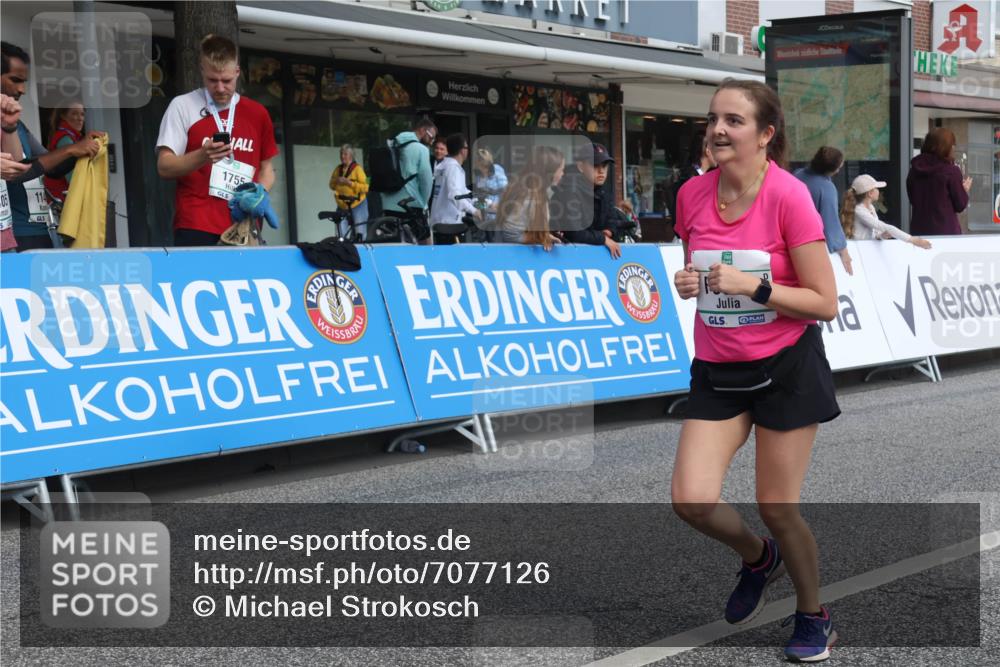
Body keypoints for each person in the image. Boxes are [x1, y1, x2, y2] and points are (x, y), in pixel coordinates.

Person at [672, 78, 840, 663]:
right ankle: (758, 558)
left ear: (766, 135)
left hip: (787, 365)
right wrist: (687, 283)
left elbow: (825, 301)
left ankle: (814, 614)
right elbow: (693, 267)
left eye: (734, 121)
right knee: (690, 501)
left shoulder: (790, 197)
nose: (718, 129)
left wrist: (757, 286)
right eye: (713, 118)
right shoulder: (692, 195)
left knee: (777, 505)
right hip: (719, 366)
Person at [156, 34, 278, 246]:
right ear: (202, 71)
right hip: (197, 224)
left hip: (244, 226)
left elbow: (267, 169)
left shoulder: (257, 113)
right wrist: (202, 156)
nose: (220, 88)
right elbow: (164, 166)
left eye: (227, 81)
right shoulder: (183, 106)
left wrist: (261, 193)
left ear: (237, 72)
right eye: (213, 80)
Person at [2, 42, 101, 250]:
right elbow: (19, 171)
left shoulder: (16, 124)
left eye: (24, 82)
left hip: (37, 229)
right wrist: (71, 149)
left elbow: (50, 167)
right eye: (15, 80)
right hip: (13, 233)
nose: (21, 89)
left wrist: (81, 151)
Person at [550, 142, 620, 259]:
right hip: (562, 257)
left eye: (605, 166)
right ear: (581, 167)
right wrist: (602, 238)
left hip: (590, 259)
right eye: (595, 165)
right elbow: (575, 233)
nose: (601, 171)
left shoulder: (602, 192)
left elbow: (612, 218)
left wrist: (610, 231)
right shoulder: (568, 191)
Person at [793, 146, 853, 275]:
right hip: (808, 246)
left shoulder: (797, 175)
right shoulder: (826, 188)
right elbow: (831, 222)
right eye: (839, 167)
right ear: (832, 170)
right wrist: (843, 250)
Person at [494, 145, 565, 247]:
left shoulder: (532, 191)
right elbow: (510, 234)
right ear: (550, 172)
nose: (563, 174)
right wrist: (538, 238)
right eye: (561, 169)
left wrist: (544, 236)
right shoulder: (527, 196)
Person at [906, 127, 972, 236]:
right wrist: (963, 190)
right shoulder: (951, 171)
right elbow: (960, 205)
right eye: (952, 145)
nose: (953, 148)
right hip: (946, 232)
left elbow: (913, 199)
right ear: (946, 147)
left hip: (919, 231)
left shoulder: (914, 170)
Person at [841, 174, 931, 249]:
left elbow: (874, 231)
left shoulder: (871, 207)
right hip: (860, 250)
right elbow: (882, 226)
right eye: (876, 188)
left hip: (866, 249)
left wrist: (880, 236)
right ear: (870, 193)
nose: (879, 191)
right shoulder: (859, 210)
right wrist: (913, 240)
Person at [380, 116, 436, 235]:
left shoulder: (392, 144)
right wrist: (423, 202)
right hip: (410, 204)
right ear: (422, 130)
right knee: (424, 245)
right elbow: (426, 181)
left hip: (388, 205)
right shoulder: (421, 149)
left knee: (393, 244)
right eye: (431, 137)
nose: (432, 142)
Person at [429, 133, 479, 237]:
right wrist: (475, 212)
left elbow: (464, 192)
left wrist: (486, 203)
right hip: (448, 225)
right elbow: (456, 196)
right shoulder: (453, 168)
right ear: (462, 150)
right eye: (466, 147)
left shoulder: (445, 166)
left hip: (443, 222)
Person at [43, 101, 87, 204]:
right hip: (63, 197)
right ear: (63, 116)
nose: (80, 118)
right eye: (74, 113)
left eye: (82, 114)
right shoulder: (65, 139)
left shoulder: (70, 136)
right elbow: (72, 177)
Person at [328, 144, 369, 239]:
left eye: (345, 154)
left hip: (358, 204)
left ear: (351, 156)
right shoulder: (338, 169)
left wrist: (349, 183)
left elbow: (366, 187)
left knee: (360, 233)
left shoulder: (358, 169)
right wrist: (336, 181)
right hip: (342, 205)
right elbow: (331, 185)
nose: (342, 156)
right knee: (340, 234)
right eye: (341, 154)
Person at [473, 147, 507, 236]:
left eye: (476, 160)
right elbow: (478, 195)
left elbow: (506, 191)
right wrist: (478, 208)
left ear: (482, 161)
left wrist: (498, 205)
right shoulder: (478, 176)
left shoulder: (497, 169)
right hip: (486, 216)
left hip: (498, 215)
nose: (475, 162)